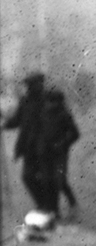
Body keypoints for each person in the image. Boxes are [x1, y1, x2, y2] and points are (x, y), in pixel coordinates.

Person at [3, 72, 56, 216]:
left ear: (39, 85)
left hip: (46, 147)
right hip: (29, 147)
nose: (29, 88)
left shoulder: (48, 100)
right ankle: (43, 204)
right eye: (29, 86)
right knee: (28, 177)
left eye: (32, 85)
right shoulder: (25, 101)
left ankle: (50, 208)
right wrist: (4, 124)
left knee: (48, 178)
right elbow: (17, 120)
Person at [39, 87, 80, 221]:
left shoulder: (64, 114)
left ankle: (72, 202)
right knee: (47, 181)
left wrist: (62, 144)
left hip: (59, 153)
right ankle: (54, 211)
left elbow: (75, 133)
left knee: (59, 180)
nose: (49, 104)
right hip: (45, 152)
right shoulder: (43, 113)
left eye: (52, 101)